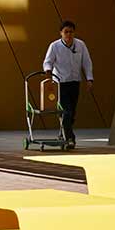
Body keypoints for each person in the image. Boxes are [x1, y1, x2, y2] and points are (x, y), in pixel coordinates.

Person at [43, 20, 93, 150]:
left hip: (75, 82)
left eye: (71, 32)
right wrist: (48, 75)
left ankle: (62, 134)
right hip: (60, 83)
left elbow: (86, 62)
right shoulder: (54, 46)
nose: (69, 34)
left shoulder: (80, 45)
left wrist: (89, 79)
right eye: (66, 32)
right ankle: (70, 138)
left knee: (72, 113)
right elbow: (48, 62)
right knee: (66, 111)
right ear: (61, 33)